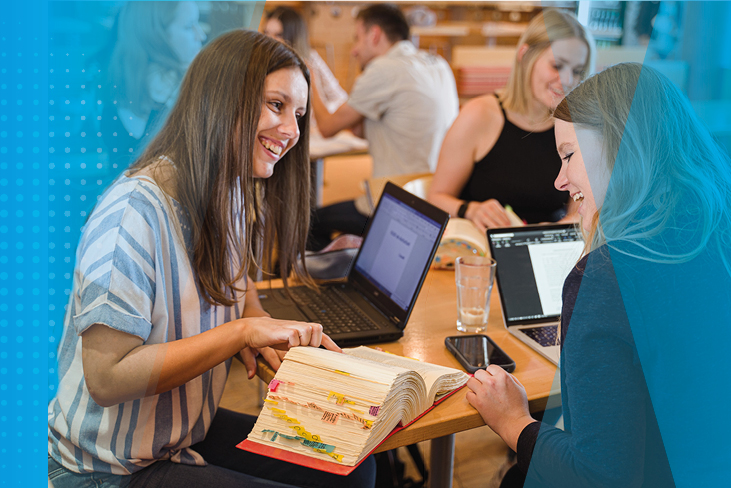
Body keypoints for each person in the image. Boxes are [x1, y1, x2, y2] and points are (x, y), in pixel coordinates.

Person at [48, 30, 375, 488]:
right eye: (276, 106)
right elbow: (107, 378)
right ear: (221, 99)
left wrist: (257, 324)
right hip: (107, 467)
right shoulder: (132, 214)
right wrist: (239, 332)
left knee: (354, 471)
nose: (293, 132)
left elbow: (240, 290)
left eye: (298, 114)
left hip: (178, 436)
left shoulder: (233, 190)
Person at [466, 62, 731, 487]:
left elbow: (600, 476)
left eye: (569, 155)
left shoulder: (608, 276)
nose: (559, 179)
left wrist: (514, 422)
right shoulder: (715, 230)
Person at [308, 3, 459, 251]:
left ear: (374, 35)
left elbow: (326, 127)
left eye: (357, 39)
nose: (354, 51)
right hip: (435, 200)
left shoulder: (384, 69)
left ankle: (330, 285)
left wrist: (310, 78)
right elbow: (366, 129)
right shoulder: (437, 64)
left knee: (307, 224)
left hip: (396, 205)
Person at [427, 9, 594, 232]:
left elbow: (578, 211)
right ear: (525, 56)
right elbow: (435, 198)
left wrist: (560, 228)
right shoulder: (479, 114)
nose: (568, 80)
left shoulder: (576, 128)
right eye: (556, 65)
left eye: (577, 71)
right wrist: (471, 209)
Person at [101, 1, 206, 172]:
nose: (200, 35)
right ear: (156, 36)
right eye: (188, 26)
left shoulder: (113, 94)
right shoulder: (188, 97)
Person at [262, 5, 348, 130]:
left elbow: (340, 98)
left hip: (305, 132)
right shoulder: (259, 62)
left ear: (293, 37)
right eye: (266, 33)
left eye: (278, 35)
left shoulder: (310, 59)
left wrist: (315, 113)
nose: (270, 41)